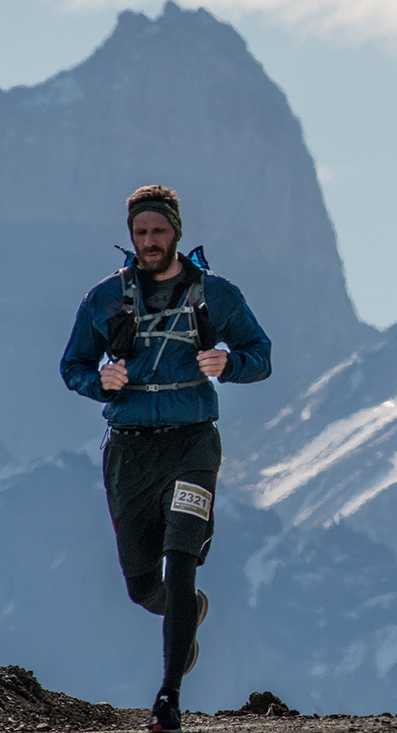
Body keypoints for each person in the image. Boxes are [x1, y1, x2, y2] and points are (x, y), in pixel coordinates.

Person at [60, 185, 272, 733]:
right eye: (141, 232)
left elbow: (261, 355)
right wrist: (99, 381)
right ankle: (187, 610)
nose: (150, 241)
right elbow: (73, 365)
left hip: (192, 446)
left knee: (180, 561)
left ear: (176, 231)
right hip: (129, 452)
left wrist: (229, 364)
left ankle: (168, 698)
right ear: (131, 236)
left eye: (158, 230)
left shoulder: (216, 294)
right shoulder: (104, 298)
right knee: (142, 587)